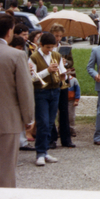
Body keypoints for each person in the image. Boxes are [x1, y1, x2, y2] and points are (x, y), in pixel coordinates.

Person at [0, 14, 34, 187]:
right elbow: (24, 90)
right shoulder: (16, 55)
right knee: (5, 169)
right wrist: (28, 117)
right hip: (7, 117)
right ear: (10, 31)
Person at [28, 32, 67, 167]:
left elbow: (62, 73)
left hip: (55, 91)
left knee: (50, 123)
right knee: (43, 122)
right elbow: (31, 78)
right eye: (47, 47)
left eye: (52, 47)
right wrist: (48, 71)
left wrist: (63, 74)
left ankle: (45, 152)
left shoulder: (56, 55)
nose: (50, 50)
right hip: (41, 91)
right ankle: (39, 153)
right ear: (41, 45)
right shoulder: (33, 57)